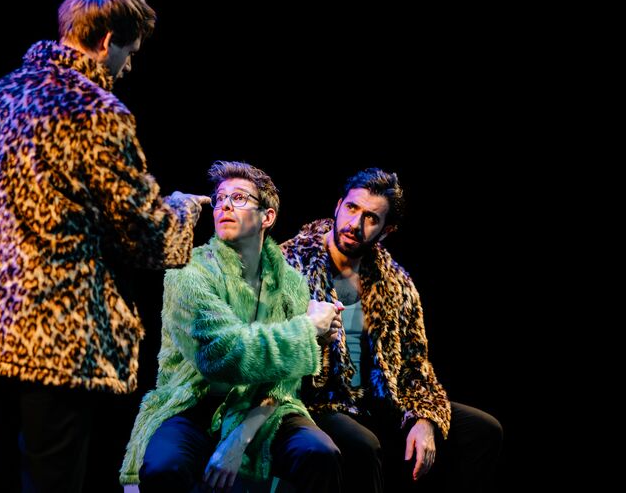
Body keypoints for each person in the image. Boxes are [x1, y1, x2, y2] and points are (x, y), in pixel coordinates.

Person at [0, 0, 209, 492]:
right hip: (57, 337)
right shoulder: (94, 110)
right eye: (129, 51)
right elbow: (145, 233)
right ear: (106, 41)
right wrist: (182, 209)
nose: (129, 66)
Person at [120, 161, 344, 492]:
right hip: (194, 404)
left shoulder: (291, 283)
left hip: (263, 408)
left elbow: (285, 379)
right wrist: (307, 329)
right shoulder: (189, 274)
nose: (224, 205)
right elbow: (223, 356)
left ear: (267, 217)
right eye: (220, 198)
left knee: (319, 453)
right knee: (164, 466)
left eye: (238, 197)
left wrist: (241, 436)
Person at [280, 167, 503, 492]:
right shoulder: (289, 264)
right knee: (363, 444)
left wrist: (424, 418)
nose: (355, 224)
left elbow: (415, 365)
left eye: (371, 218)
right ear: (338, 205)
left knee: (483, 430)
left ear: (386, 230)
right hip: (318, 402)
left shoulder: (396, 283)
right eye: (352, 208)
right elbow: (267, 347)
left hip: (381, 403)